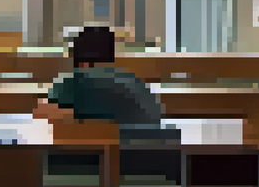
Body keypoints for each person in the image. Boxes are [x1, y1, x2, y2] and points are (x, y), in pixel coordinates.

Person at [34, 25, 165, 128]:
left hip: (90, 159)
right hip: (148, 158)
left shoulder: (73, 82)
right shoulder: (136, 83)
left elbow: (43, 115)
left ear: (81, 62)